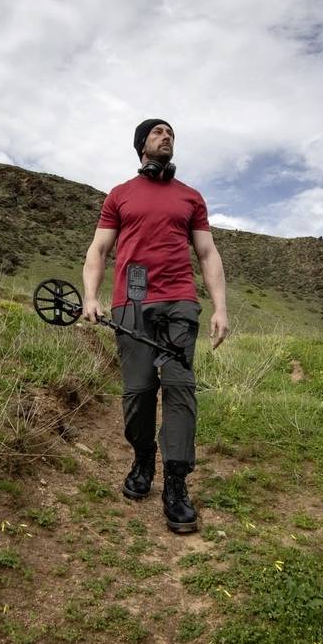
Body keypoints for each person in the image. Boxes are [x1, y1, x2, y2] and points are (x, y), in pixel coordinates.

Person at [81, 119, 229, 534]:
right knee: (138, 392)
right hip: (131, 303)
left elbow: (207, 252)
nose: (167, 137)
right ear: (141, 145)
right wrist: (91, 296)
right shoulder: (120, 196)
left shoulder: (190, 198)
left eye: (171, 134)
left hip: (180, 302)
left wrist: (220, 308)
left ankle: (176, 484)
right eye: (158, 133)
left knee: (180, 388)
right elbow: (99, 249)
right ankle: (143, 456)